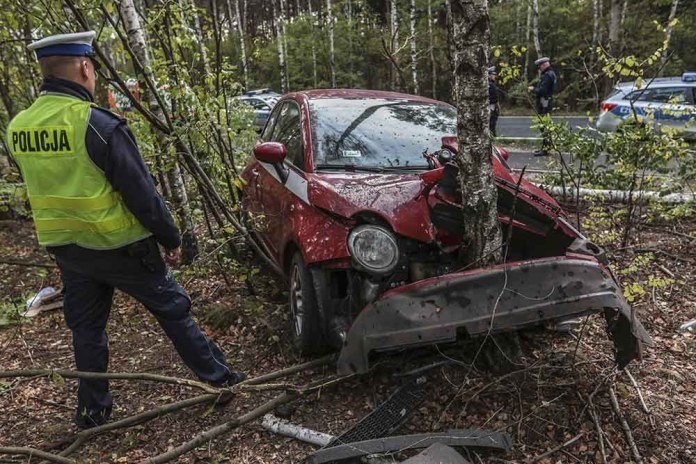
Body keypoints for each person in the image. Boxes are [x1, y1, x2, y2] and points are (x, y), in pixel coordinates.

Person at [6, 31, 246, 429]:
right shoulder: (96, 124)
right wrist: (171, 238)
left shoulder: (19, 127)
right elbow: (142, 195)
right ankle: (220, 381)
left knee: (86, 330)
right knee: (174, 311)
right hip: (121, 246)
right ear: (85, 67)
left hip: (69, 249)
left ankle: (92, 412)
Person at [528, 57, 557, 156]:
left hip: (545, 103)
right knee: (544, 126)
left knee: (544, 126)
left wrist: (533, 89)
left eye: (540, 66)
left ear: (544, 65)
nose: (539, 68)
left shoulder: (548, 75)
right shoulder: (549, 74)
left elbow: (543, 91)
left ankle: (546, 149)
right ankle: (545, 147)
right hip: (545, 102)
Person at [488, 66, 500, 137]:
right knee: (491, 123)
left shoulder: (492, 84)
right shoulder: (489, 84)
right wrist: (497, 105)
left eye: (495, 74)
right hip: (491, 106)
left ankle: (493, 136)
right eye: (493, 74)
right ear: (489, 75)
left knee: (493, 123)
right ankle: (492, 137)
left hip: (493, 106)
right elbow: (493, 98)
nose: (494, 76)